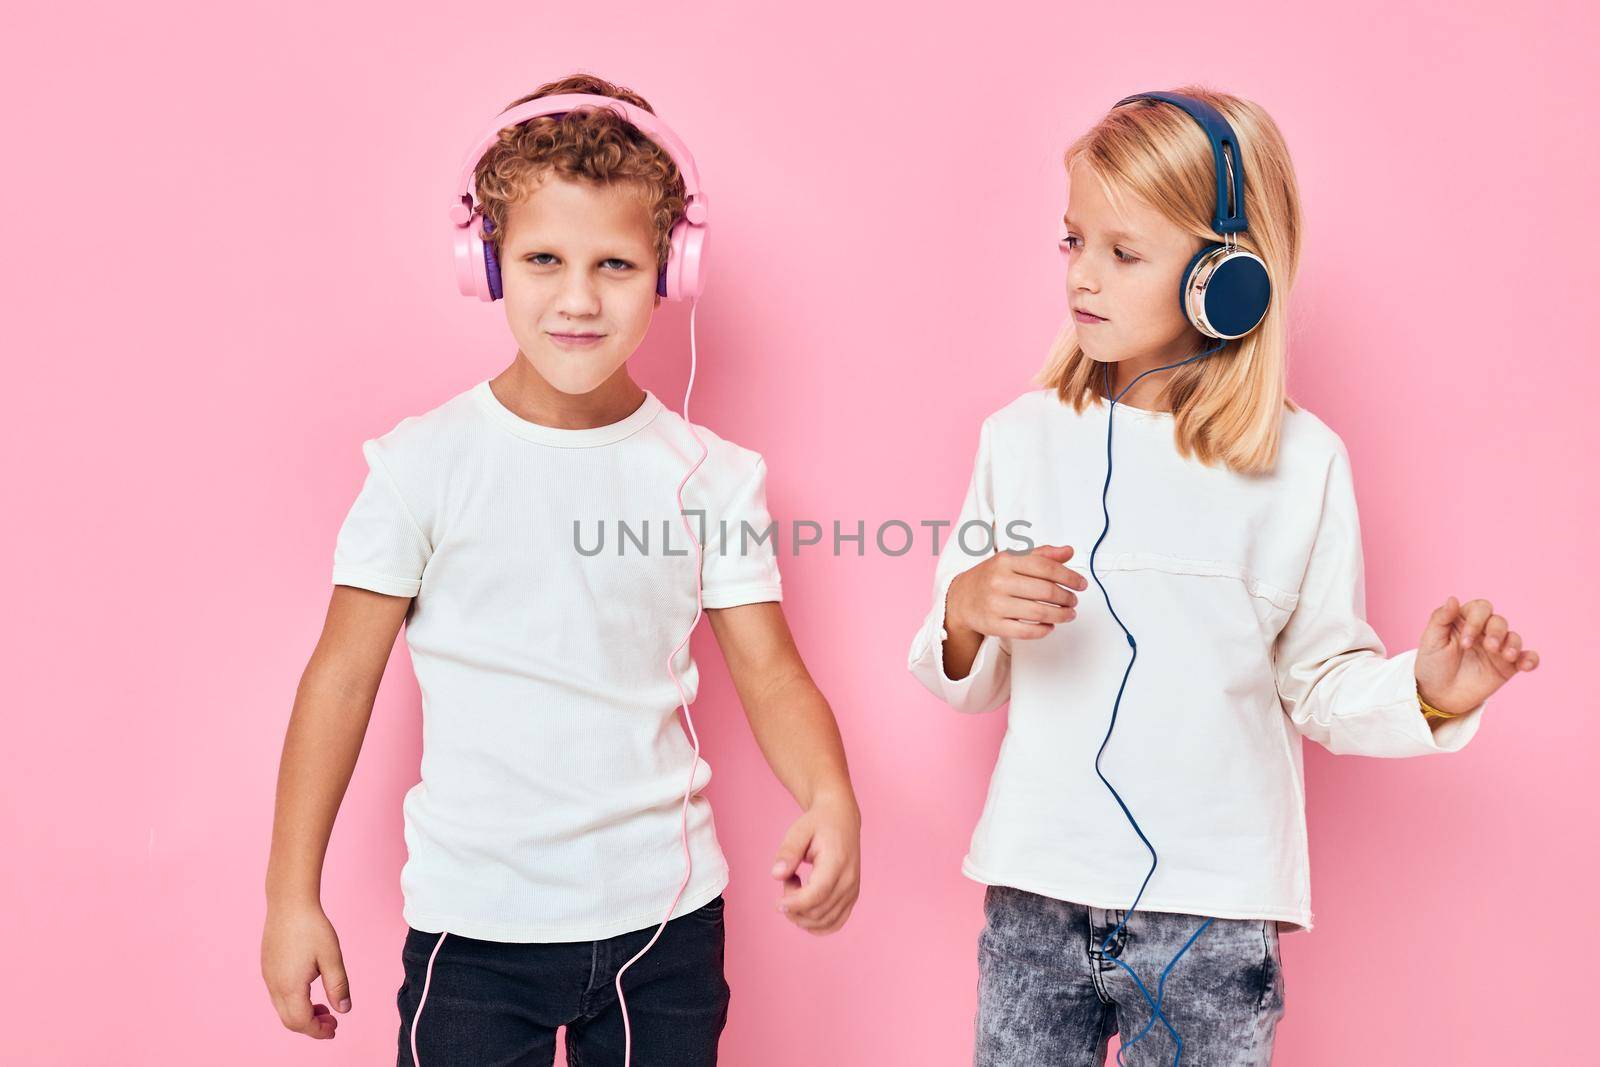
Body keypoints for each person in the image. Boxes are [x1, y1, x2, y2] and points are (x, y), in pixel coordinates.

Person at [906, 86, 1539, 1066]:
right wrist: (964, 608)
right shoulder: (1020, 438)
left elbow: (1320, 680)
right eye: (1071, 241)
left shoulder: (1301, 464)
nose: (1083, 275)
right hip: (1036, 887)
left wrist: (1427, 691)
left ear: (1226, 278)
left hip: (1215, 914)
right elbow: (961, 670)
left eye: (1123, 253)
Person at [261, 73, 861, 1067]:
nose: (578, 298)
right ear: (486, 260)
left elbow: (772, 672)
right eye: (543, 257)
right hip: (472, 929)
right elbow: (340, 677)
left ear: (672, 268)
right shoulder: (421, 465)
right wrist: (291, 895)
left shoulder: (711, 478)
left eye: (615, 263)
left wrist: (828, 792)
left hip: (664, 924)